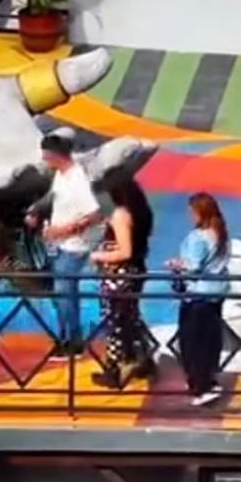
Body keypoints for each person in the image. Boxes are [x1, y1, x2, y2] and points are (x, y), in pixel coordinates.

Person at [26, 133, 101, 359]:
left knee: (65, 294)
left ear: (55, 155)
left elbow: (94, 214)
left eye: (45, 156)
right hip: (59, 245)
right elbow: (54, 195)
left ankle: (73, 342)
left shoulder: (78, 180)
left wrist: (65, 230)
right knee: (61, 295)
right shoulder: (60, 175)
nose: (44, 160)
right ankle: (66, 337)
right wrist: (37, 208)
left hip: (74, 246)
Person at [90, 179, 154, 389]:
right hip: (133, 272)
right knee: (130, 318)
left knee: (115, 321)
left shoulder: (120, 215)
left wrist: (98, 256)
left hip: (120, 275)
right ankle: (144, 361)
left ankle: (114, 370)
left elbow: (125, 251)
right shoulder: (138, 213)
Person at [168, 192, 230, 406]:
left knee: (192, 343)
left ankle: (201, 386)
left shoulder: (198, 237)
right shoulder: (221, 233)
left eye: (192, 211)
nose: (189, 215)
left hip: (197, 295)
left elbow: (193, 266)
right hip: (216, 293)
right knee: (209, 340)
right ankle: (209, 379)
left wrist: (176, 264)